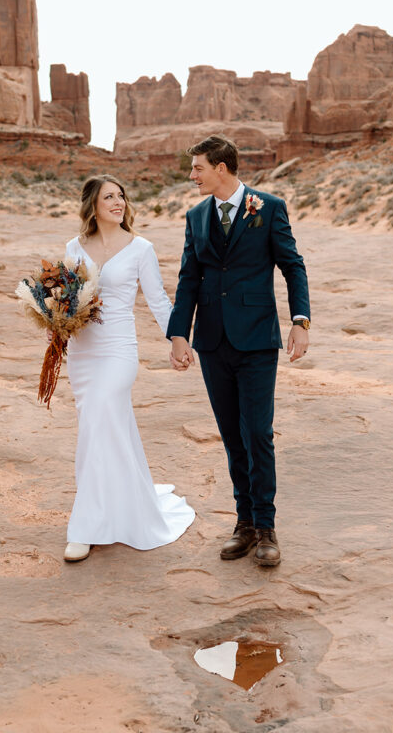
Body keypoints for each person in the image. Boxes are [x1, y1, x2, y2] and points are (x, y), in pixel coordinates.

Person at [166, 135, 310, 567]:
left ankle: (266, 527)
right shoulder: (195, 216)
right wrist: (179, 334)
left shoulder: (268, 208)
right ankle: (243, 524)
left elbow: (292, 265)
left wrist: (300, 321)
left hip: (257, 340)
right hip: (212, 342)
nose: (192, 176)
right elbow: (189, 277)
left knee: (258, 434)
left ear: (221, 168)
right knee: (232, 436)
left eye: (198, 168)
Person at [62, 174, 195, 562]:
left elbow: (158, 299)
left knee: (99, 420)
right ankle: (121, 504)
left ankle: (85, 527)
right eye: (109, 197)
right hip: (83, 352)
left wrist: (177, 338)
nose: (118, 202)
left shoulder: (140, 248)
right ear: (93, 205)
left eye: (121, 195)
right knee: (102, 426)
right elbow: (65, 298)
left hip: (119, 351)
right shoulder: (74, 246)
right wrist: (55, 322)